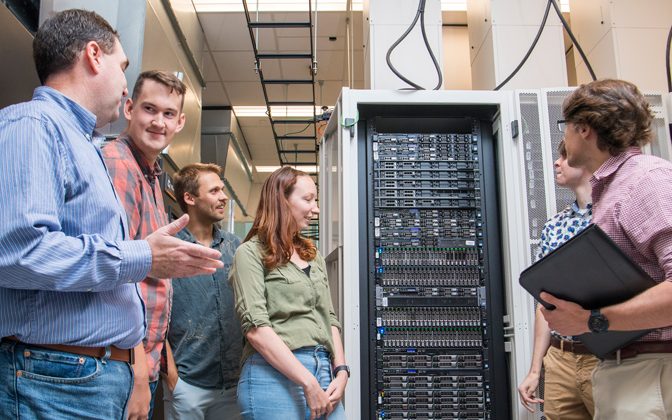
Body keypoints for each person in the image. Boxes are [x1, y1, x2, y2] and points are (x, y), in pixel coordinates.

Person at [0, 9, 222, 419]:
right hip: (57, 377)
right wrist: (145, 257)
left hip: (84, 374)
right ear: (93, 56)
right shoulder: (34, 125)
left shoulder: (84, 146)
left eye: (169, 114)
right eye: (122, 67)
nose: (123, 85)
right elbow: (20, 253)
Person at [540, 79, 672, 420]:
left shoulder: (645, 180)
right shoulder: (612, 189)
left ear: (583, 128)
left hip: (652, 369)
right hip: (626, 367)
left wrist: (590, 320)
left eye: (565, 128)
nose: (564, 141)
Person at [229, 167, 348, 420]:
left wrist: (342, 370)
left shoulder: (311, 255)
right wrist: (307, 382)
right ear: (281, 200)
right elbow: (256, 329)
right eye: (308, 200)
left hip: (324, 371)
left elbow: (329, 317)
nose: (315, 208)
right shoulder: (249, 254)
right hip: (272, 376)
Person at [102, 70, 187, 419]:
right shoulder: (120, 164)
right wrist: (137, 369)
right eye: (149, 109)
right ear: (129, 108)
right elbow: (115, 272)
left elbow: (150, 279)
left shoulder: (149, 175)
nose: (158, 122)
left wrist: (161, 356)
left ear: (180, 122)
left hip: (142, 363)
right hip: (122, 365)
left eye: (168, 114)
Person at [517, 140, 598, 419]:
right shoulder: (554, 226)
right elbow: (545, 304)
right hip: (561, 358)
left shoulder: (612, 215)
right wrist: (535, 370)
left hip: (607, 357)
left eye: (564, 156)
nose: (556, 162)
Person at [162, 163, 243, 419]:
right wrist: (173, 378)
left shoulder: (235, 247)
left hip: (233, 385)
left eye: (223, 189)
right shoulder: (168, 248)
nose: (224, 196)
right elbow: (152, 312)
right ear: (189, 198)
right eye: (215, 191)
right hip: (187, 385)